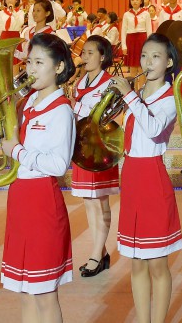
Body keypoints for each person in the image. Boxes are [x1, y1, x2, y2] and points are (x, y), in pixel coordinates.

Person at [0, 33, 75, 322]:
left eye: (39, 62)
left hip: (42, 202)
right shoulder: (27, 103)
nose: (31, 69)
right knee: (26, 290)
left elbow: (58, 165)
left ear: (58, 67)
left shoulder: (61, 110)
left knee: (44, 293)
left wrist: (17, 151)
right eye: (29, 61)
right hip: (20, 197)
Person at [110, 33, 182, 323]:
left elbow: (153, 128)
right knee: (136, 263)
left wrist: (128, 95)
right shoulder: (137, 95)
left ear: (169, 62)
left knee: (157, 264)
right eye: (144, 56)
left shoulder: (170, 96)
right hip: (131, 177)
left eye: (155, 56)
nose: (148, 62)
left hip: (152, 176)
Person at [69, 35, 119, 278]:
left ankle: (96, 255)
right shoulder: (80, 82)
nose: (85, 57)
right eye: (84, 52)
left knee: (100, 203)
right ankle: (101, 252)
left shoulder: (110, 83)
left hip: (99, 148)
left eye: (90, 53)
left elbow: (105, 117)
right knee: (89, 203)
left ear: (103, 56)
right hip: (82, 147)